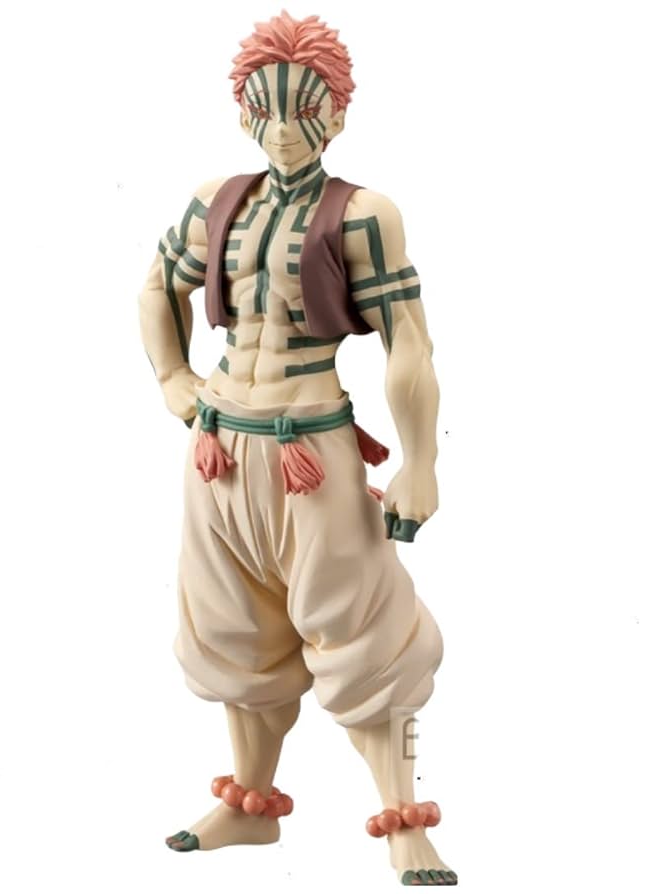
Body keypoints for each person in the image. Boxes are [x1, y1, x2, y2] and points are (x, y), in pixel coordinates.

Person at [138, 11, 455, 886]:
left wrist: (421, 463)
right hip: (219, 450)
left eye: (303, 108)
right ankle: (250, 805)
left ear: (337, 113)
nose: (283, 127)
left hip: (310, 455)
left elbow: (409, 341)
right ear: (244, 112)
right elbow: (157, 286)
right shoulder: (217, 202)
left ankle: (403, 822)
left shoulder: (364, 216)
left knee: (364, 635)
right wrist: (172, 376)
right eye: (266, 107)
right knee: (232, 630)